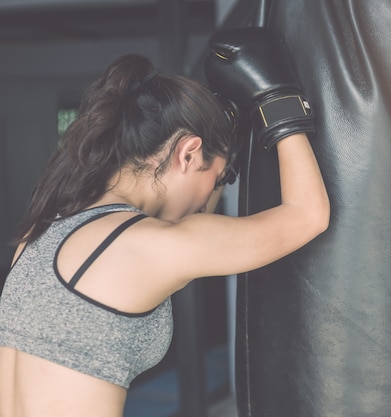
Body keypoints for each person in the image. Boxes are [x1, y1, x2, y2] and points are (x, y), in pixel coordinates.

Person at [0, 27, 329, 417]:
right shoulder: (146, 246)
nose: (214, 195)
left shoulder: (45, 233)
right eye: (221, 178)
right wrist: (275, 98)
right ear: (188, 154)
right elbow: (308, 214)